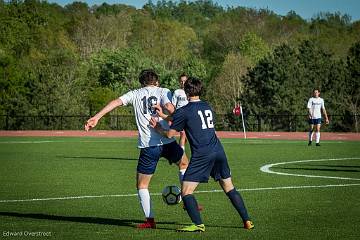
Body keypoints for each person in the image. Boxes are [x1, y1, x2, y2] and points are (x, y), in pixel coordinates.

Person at [85, 69, 188, 229]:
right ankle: (187, 201)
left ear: (141, 83)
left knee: (142, 185)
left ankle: (150, 221)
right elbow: (170, 109)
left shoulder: (135, 94)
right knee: (184, 164)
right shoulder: (163, 91)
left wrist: (97, 117)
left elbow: (115, 102)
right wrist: (170, 116)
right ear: (157, 81)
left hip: (149, 146)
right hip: (167, 142)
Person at [150, 77, 254, 232]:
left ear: (185, 92)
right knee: (229, 187)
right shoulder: (207, 106)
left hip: (202, 154)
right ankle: (247, 221)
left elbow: (170, 134)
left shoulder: (184, 110)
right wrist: (165, 115)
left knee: (186, 191)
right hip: (218, 150)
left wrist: (158, 127)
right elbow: (188, 119)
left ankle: (198, 225)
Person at [172, 73, 189, 150]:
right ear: (179, 82)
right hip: (180, 116)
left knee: (186, 136)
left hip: (189, 116)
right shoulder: (177, 92)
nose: (183, 83)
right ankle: (181, 154)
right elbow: (173, 105)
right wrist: (173, 116)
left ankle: (179, 149)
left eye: (184, 81)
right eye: (181, 81)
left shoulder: (190, 91)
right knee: (183, 133)